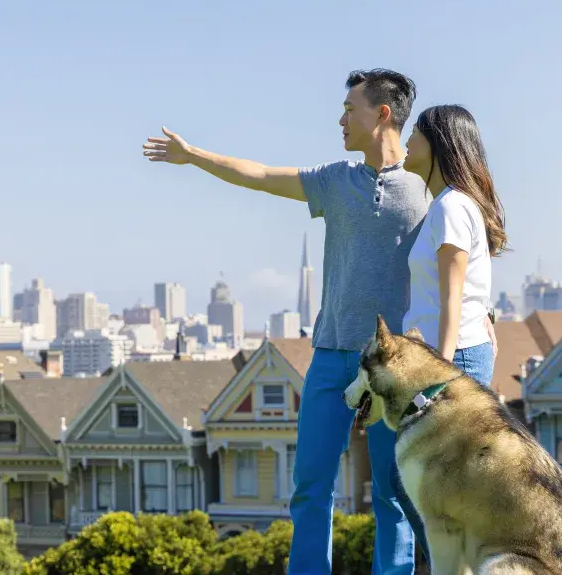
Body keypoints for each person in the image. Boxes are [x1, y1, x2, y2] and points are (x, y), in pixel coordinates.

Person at [143, 69, 429, 575]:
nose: (340, 118)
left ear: (383, 114)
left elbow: (464, 249)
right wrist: (194, 157)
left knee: (391, 494)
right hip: (332, 354)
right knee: (311, 488)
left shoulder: (427, 189)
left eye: (349, 108)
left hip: (393, 366)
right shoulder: (334, 181)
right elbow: (256, 173)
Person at [396, 103, 508, 566]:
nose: (406, 142)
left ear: (438, 145)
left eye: (416, 134)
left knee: (418, 485)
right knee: (423, 489)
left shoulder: (452, 207)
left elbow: (453, 297)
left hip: (451, 362)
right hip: (456, 356)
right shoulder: (448, 205)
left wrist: (435, 378)